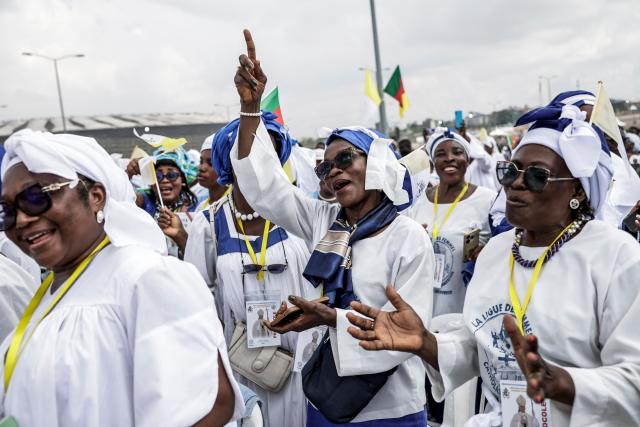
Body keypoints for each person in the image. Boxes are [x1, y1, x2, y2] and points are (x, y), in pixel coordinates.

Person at [346, 104, 640, 425]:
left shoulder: (615, 256)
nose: (516, 183)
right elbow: (478, 347)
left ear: (578, 191)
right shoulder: (498, 251)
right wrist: (426, 343)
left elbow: (635, 377)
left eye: (538, 176)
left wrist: (566, 383)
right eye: (511, 171)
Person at [231, 30, 434, 426]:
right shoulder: (326, 221)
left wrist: (329, 318)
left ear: (374, 163)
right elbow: (265, 187)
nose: (333, 169)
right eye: (325, 166)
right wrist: (251, 108)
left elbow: (406, 335)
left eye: (344, 158)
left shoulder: (407, 237)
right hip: (325, 399)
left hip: (390, 408)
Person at [0, 129, 243, 426]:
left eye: (36, 198)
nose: (22, 219)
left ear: (96, 196)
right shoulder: (51, 294)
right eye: (7, 211)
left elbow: (209, 408)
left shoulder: (147, 277)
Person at [183, 113, 319, 427]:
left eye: (268, 152)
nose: (259, 161)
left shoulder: (303, 214)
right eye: (249, 152)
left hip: (300, 361)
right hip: (239, 363)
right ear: (230, 162)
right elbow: (195, 303)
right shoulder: (208, 225)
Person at [407, 128, 496, 316]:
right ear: (433, 163)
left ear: (468, 159)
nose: (449, 158)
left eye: (457, 152)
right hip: (423, 311)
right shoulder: (419, 202)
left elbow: (504, 251)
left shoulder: (488, 200)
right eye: (441, 154)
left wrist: (487, 254)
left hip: (467, 313)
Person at [127, 145, 199, 257]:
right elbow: (119, 200)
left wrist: (180, 235)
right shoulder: (143, 201)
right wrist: (128, 174)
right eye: (158, 175)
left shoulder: (196, 208)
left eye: (171, 175)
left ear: (183, 180)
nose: (164, 180)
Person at [196, 134, 229, 211]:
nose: (201, 168)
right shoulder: (201, 207)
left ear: (226, 167)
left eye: (211, 163)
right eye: (201, 161)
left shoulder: (235, 205)